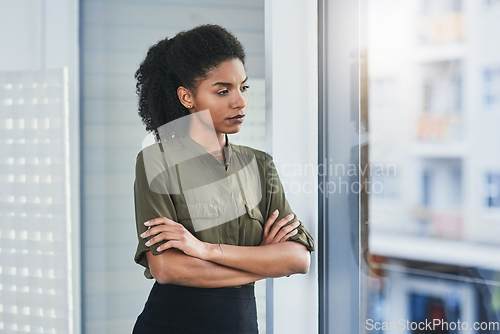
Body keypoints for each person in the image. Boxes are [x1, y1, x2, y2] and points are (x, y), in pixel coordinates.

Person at [132, 24, 316, 334]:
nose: (240, 102)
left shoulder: (260, 165)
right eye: (223, 91)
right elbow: (166, 268)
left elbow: (297, 259)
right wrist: (261, 263)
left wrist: (202, 250)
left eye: (243, 87)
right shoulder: (156, 162)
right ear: (187, 97)